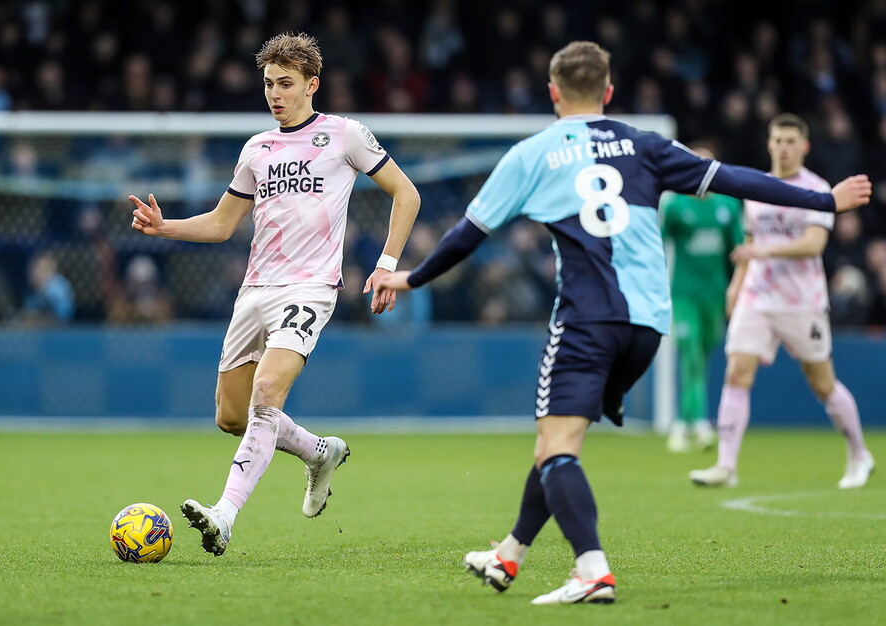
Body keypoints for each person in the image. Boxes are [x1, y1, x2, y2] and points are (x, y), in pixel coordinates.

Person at [369, 42, 870, 606]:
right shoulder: (646, 144)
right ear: (608, 92)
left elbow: (469, 233)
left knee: (558, 447)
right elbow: (733, 179)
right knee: (557, 442)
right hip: (648, 325)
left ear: (553, 93)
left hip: (587, 319)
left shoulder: (532, 154)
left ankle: (592, 570)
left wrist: (411, 278)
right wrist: (823, 201)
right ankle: (509, 553)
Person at [127, 33, 420, 556]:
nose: (275, 94)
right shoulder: (257, 149)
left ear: (312, 84)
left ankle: (224, 514)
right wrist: (165, 227)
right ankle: (318, 452)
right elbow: (222, 224)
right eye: (268, 84)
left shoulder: (345, 135)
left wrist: (386, 265)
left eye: (286, 83)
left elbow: (407, 193)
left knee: (267, 389)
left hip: (310, 287)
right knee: (231, 417)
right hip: (255, 290)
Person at [689, 114, 875, 489]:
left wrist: (762, 252)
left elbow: (813, 244)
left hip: (801, 301)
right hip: (757, 296)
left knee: (822, 383)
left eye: (791, 141)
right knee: (736, 372)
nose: (784, 148)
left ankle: (859, 455)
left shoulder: (817, 189)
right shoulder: (757, 188)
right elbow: (749, 240)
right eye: (778, 140)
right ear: (769, 144)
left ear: (804, 147)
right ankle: (726, 466)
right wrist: (736, 285)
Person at [660, 145, 745, 453]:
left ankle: (686, 422)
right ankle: (695, 424)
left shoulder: (728, 207)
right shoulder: (676, 207)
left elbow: (739, 252)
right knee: (691, 356)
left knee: (704, 359)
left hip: (715, 297)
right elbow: (657, 243)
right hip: (684, 296)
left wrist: (737, 289)